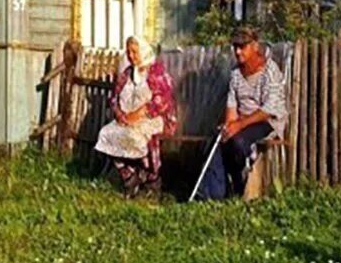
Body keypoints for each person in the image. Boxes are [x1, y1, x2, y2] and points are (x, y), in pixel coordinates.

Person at [192, 26, 287, 201]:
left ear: (255, 46)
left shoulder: (269, 71)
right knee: (217, 139)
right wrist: (229, 125)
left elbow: (269, 109)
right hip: (242, 121)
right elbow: (232, 104)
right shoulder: (236, 73)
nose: (237, 51)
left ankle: (239, 182)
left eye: (242, 47)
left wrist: (239, 125)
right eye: (235, 46)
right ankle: (213, 194)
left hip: (266, 122)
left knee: (238, 141)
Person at [94, 35, 177, 197]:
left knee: (134, 137)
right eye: (128, 52)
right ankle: (129, 176)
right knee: (106, 134)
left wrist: (138, 114)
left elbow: (163, 100)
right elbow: (114, 98)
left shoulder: (156, 71)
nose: (131, 56)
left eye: (134, 51)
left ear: (143, 51)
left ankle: (149, 175)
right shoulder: (127, 74)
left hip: (154, 118)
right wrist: (119, 114)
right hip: (127, 118)